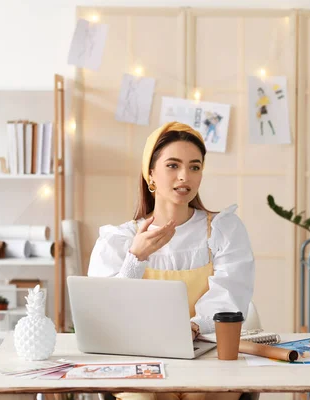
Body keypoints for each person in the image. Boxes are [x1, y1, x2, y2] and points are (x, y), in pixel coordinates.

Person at [87, 121, 256, 400]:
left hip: (207, 354)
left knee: (201, 395)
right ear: (150, 173)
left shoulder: (224, 230)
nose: (184, 177)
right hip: (139, 358)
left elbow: (231, 295)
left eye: (194, 167)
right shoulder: (119, 239)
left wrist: (193, 326)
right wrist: (135, 258)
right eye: (172, 165)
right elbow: (102, 313)